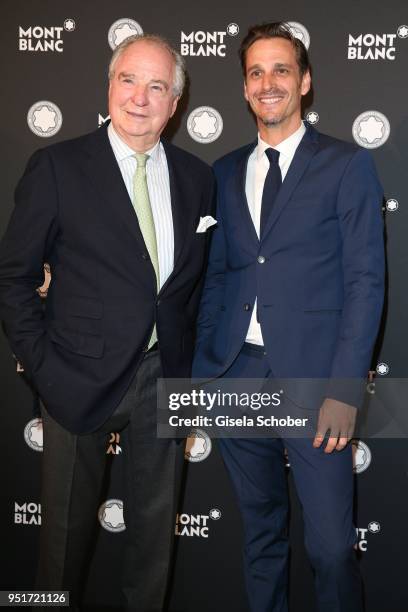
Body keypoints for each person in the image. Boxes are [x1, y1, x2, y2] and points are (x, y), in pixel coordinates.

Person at [0, 34, 214, 611]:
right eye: (129, 80)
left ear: (175, 104)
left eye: (157, 87)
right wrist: (45, 369)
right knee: (60, 550)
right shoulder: (58, 166)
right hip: (74, 376)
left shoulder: (198, 178)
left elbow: (193, 290)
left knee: (152, 552)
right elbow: (13, 277)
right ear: (109, 86)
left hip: (165, 380)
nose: (140, 98)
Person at [193, 22, 384, 612]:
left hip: (316, 384)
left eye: (281, 69)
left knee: (329, 549)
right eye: (255, 72)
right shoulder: (222, 172)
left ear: (304, 81)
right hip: (236, 376)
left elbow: (365, 281)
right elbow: (215, 277)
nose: (267, 82)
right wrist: (206, 372)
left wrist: (345, 389)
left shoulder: (346, 166)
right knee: (261, 538)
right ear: (245, 89)